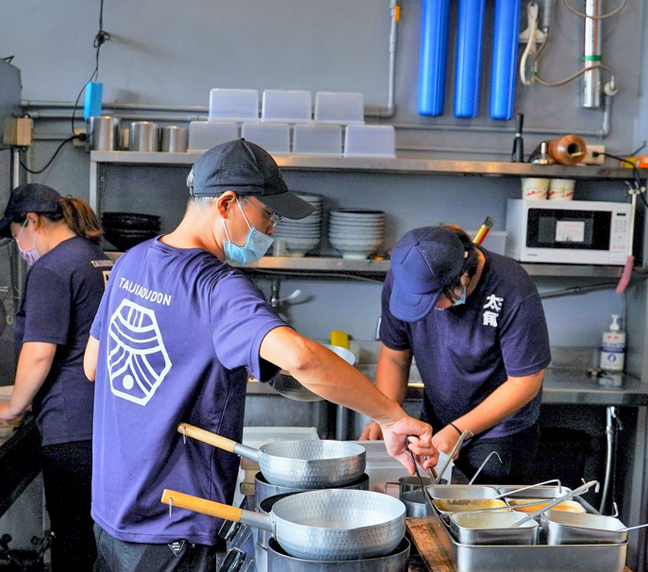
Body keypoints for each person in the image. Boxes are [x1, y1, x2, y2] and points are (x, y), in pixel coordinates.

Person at [83, 139, 437, 572]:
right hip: (171, 523)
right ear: (228, 203)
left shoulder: (132, 261)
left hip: (111, 507)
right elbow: (302, 358)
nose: (272, 231)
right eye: (269, 215)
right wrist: (391, 417)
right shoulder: (217, 287)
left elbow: (94, 365)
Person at [361, 225, 551, 484]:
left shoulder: (513, 289)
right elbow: (395, 356)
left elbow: (525, 382)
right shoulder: (404, 278)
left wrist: (458, 431)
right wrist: (387, 418)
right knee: (431, 507)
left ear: (462, 277)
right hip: (437, 423)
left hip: (500, 433)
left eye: (433, 301)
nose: (427, 311)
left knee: (485, 515)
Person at [0, 183, 112, 572]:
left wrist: (14, 405)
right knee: (98, 540)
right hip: (106, 421)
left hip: (71, 425)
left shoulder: (52, 268)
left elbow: (40, 352)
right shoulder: (97, 257)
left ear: (32, 221)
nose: (21, 247)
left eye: (16, 235)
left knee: (73, 542)